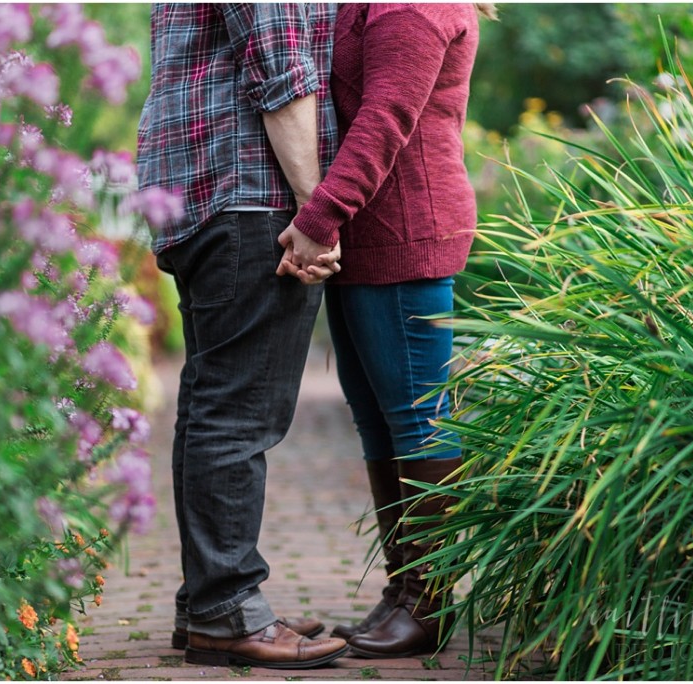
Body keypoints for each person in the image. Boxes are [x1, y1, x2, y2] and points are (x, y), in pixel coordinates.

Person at [276, 2, 493, 658]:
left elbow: (385, 119)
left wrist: (318, 216)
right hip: (368, 236)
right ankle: (404, 590)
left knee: (417, 418)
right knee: (377, 419)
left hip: (405, 233)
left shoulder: (413, 7)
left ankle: (428, 602)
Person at [136, 3, 346, 669]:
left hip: (203, 190)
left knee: (209, 405)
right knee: (237, 413)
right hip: (248, 190)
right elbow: (281, 68)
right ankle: (227, 608)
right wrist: (318, 211)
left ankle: (208, 599)